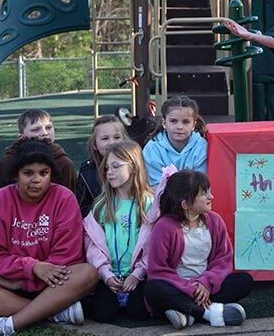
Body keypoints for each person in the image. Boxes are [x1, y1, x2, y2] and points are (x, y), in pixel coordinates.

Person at [0, 140, 97, 335]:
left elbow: (68, 257)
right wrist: (32, 267)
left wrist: (26, 282)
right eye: (28, 173)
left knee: (87, 273)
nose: (36, 179)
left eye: (43, 173)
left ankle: (6, 326)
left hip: (51, 283)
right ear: (15, 175)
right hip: (10, 281)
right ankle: (53, 312)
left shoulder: (64, 198)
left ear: (51, 175)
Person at [144, 169, 253, 330]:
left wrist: (205, 282)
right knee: (153, 289)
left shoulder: (215, 221)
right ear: (186, 204)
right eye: (204, 194)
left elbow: (223, 260)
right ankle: (209, 313)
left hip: (207, 287)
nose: (211, 197)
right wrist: (190, 288)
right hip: (178, 287)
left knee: (244, 281)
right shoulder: (164, 227)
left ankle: (186, 313)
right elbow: (158, 271)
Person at [82, 140, 154, 323]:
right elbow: (92, 244)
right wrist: (105, 274)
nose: (109, 172)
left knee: (139, 312)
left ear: (134, 166)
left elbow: (154, 245)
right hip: (110, 277)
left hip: (138, 275)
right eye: (106, 168)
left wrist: (138, 274)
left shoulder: (149, 204)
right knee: (103, 314)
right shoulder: (101, 205)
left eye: (115, 166)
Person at [0, 109, 77, 194]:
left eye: (48, 127)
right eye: (36, 129)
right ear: (21, 137)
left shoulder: (64, 164)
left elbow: (70, 200)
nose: (44, 133)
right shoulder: (7, 162)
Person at [142, 95, 208, 187]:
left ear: (193, 125)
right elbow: (156, 186)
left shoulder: (201, 146)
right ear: (164, 123)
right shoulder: (152, 149)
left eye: (185, 122)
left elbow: (201, 184)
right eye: (173, 121)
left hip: (194, 198)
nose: (179, 127)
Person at [76, 115, 128, 217]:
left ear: (124, 140)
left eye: (117, 137)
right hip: (98, 222)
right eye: (105, 138)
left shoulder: (132, 165)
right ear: (94, 144)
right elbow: (82, 206)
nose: (112, 143)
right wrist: (102, 211)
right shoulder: (87, 169)